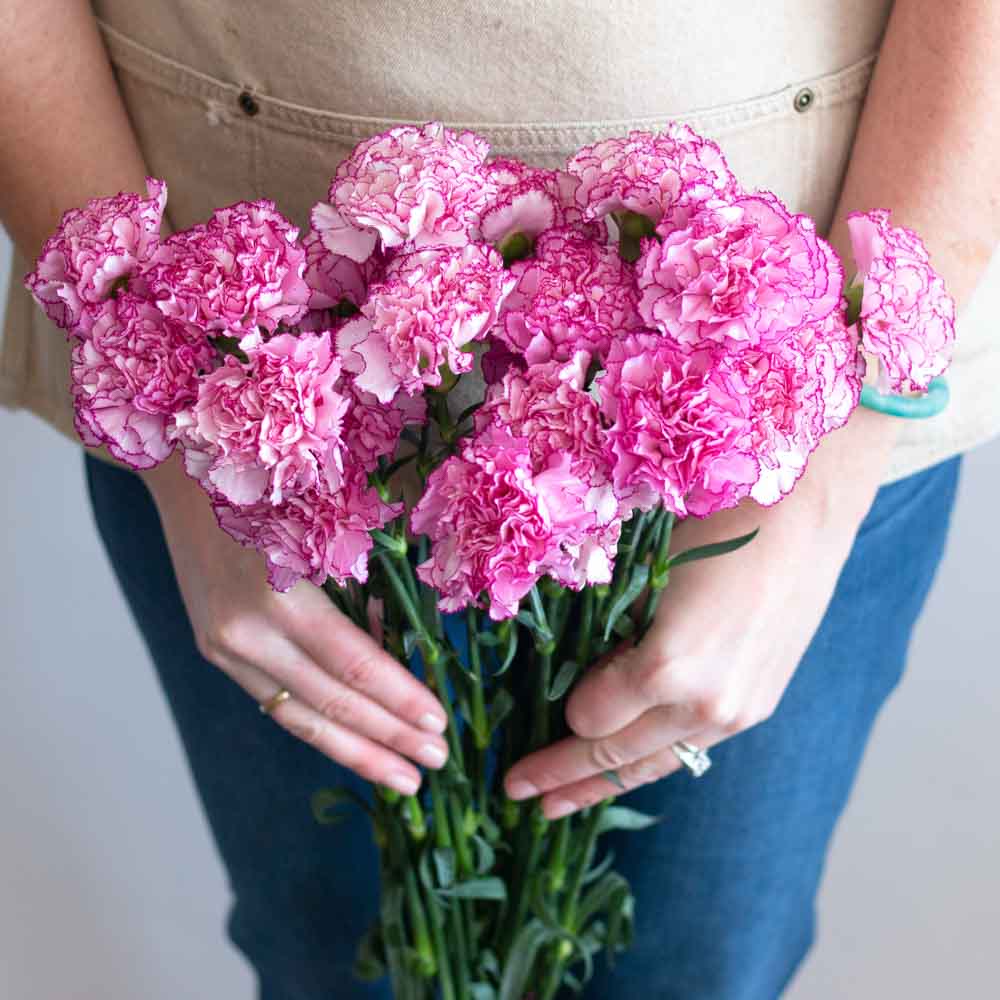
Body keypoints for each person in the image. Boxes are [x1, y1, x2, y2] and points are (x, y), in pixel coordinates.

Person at [2, 2, 998, 997]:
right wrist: (208, 441)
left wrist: (828, 460)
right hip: (234, 381)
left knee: (693, 971)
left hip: (774, 442)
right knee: (334, 966)